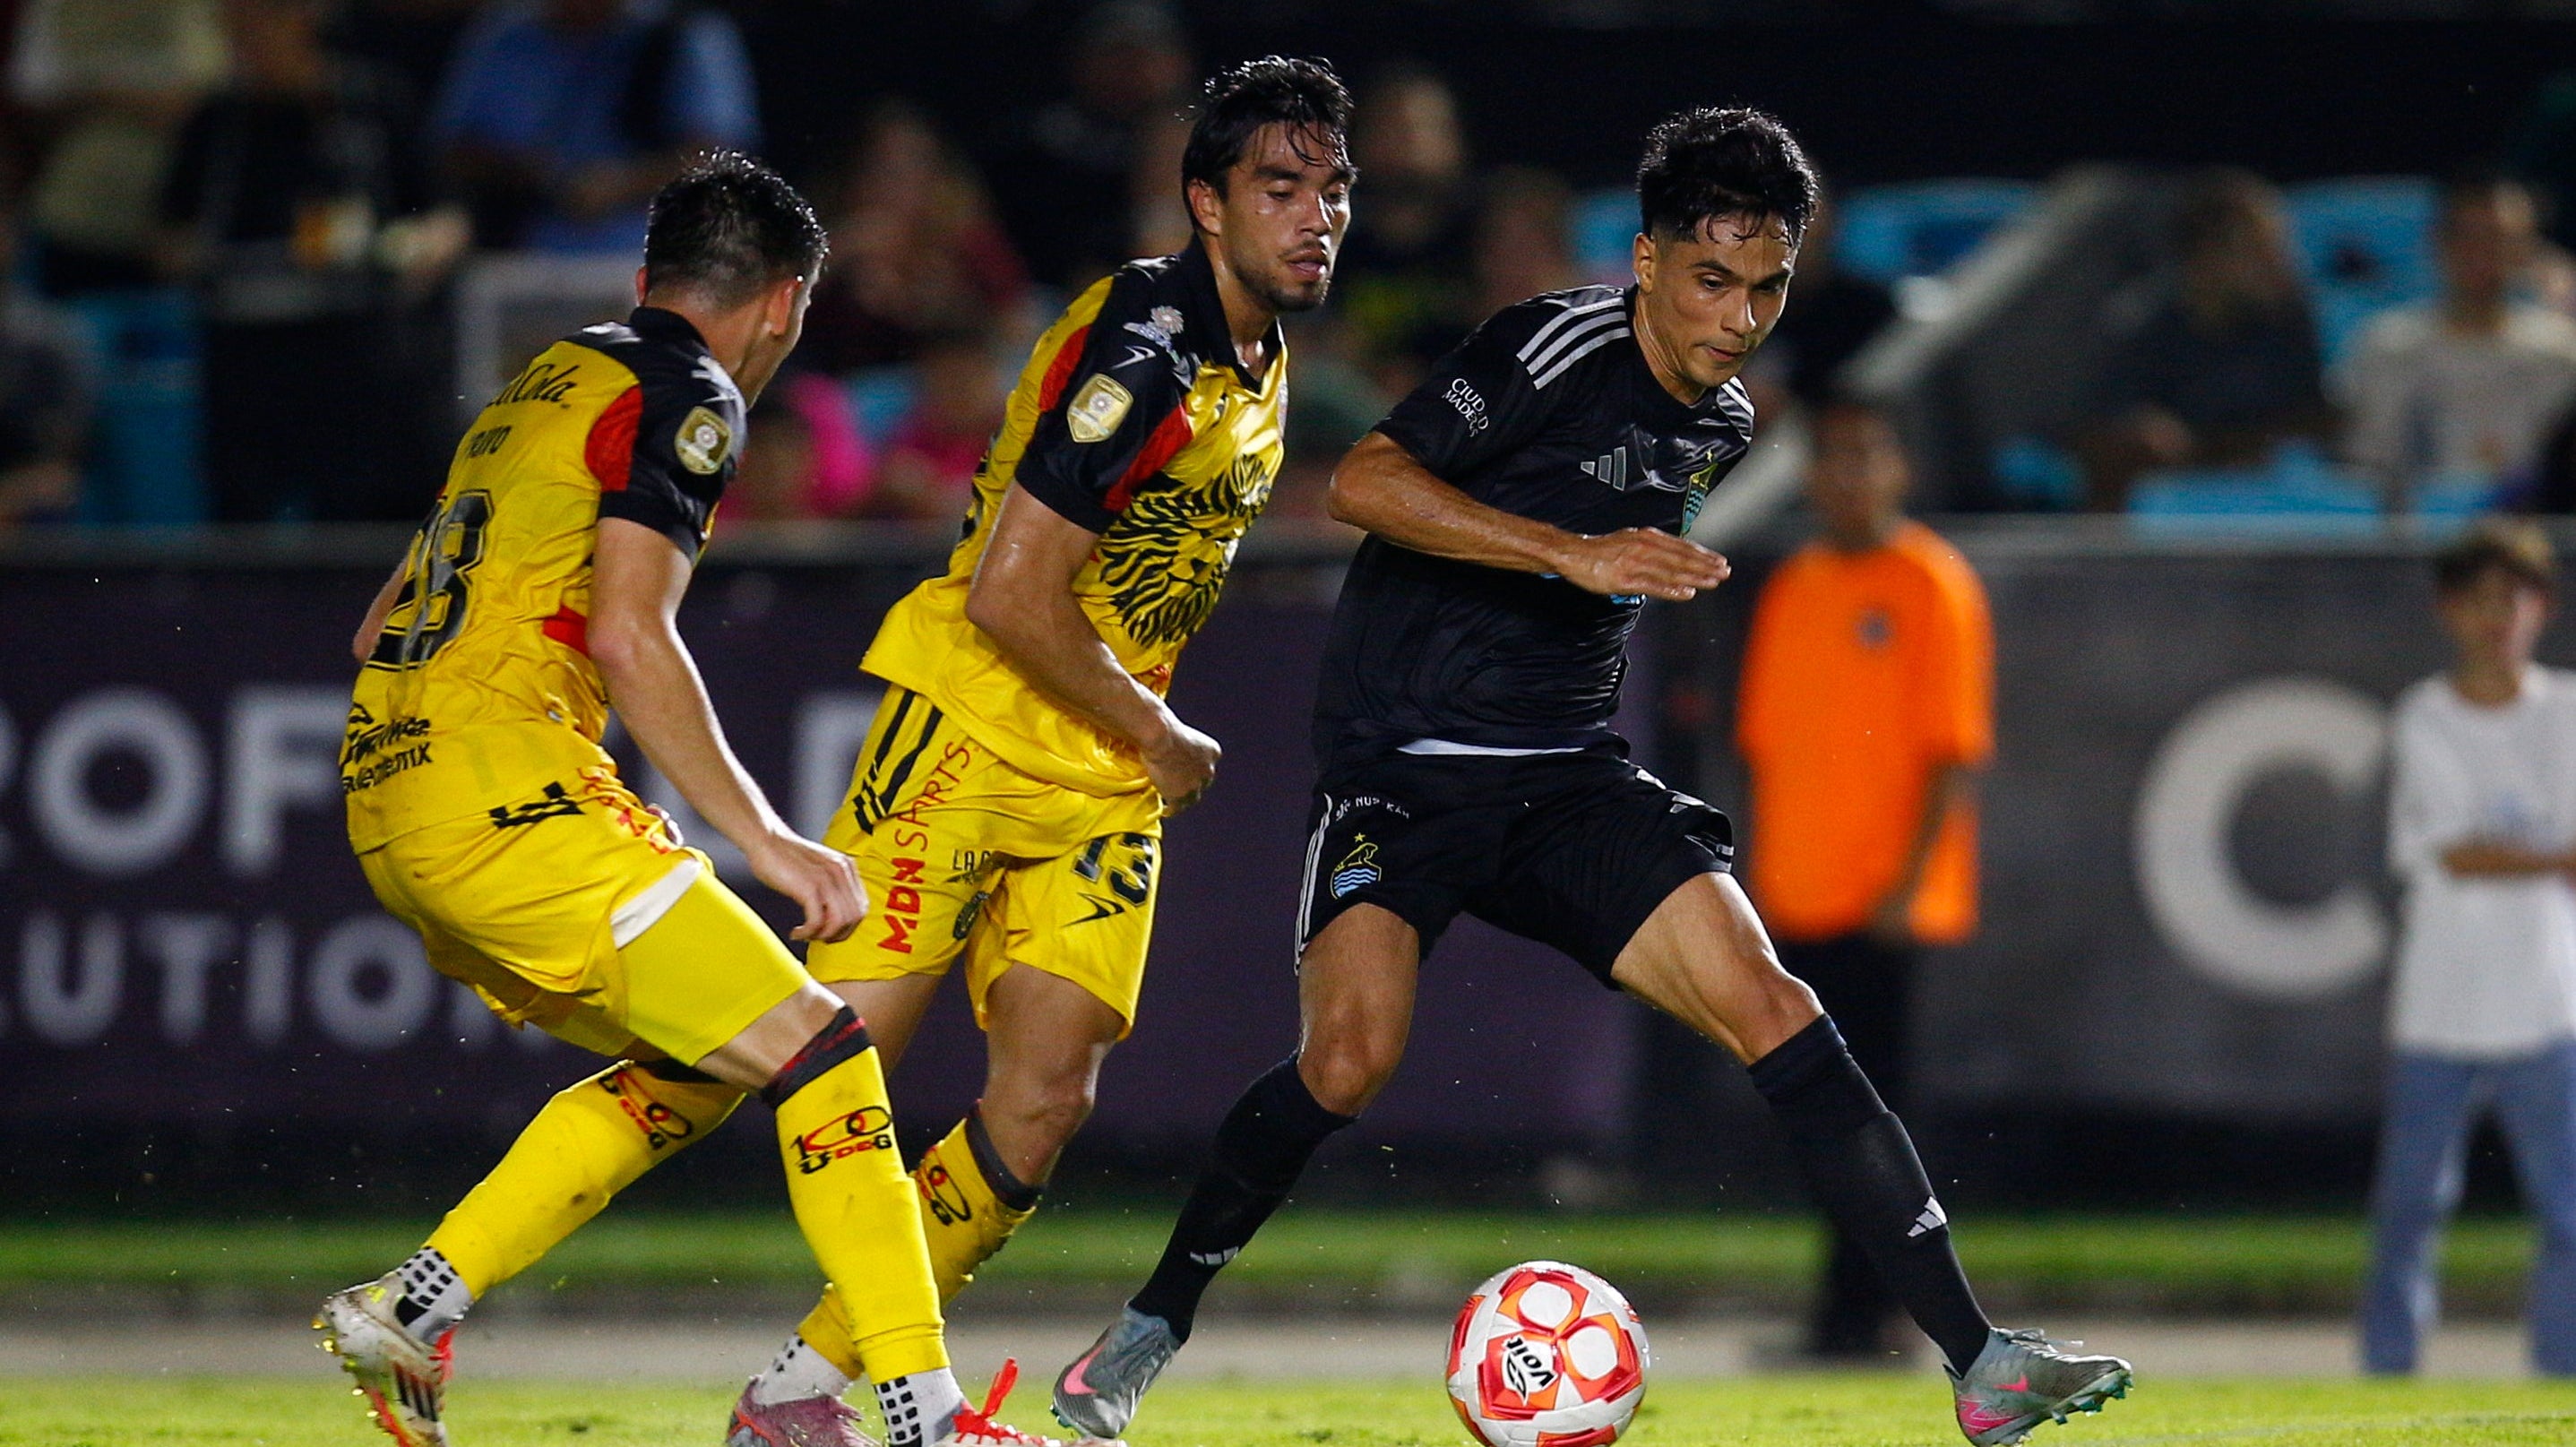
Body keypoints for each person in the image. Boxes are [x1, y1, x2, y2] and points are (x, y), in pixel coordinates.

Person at [1048, 107, 2131, 1447]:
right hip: (1403, 772)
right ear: (1646, 259)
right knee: (1346, 1059)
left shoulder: (1721, 418)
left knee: (1776, 1007)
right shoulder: (1550, 345)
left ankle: (1979, 1358)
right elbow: (1366, 483)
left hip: (1564, 779)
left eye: (1765, 286)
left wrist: (1591, 581)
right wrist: (1570, 551)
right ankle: (1146, 1329)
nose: (1737, 318)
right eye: (1710, 279)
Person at [314, 152, 1055, 1447]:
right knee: (826, 1049)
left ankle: (411, 1303)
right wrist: (764, 836)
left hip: (394, 794)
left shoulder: (541, 385)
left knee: (702, 1065)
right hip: (507, 797)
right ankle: (919, 1415)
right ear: (784, 304)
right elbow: (629, 632)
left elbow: (381, 622)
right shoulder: (687, 393)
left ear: (648, 274)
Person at [725, 58, 1356, 1447]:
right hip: (972, 728)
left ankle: (803, 1388)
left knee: (1045, 1096)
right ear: (1204, 202)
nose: (1314, 216)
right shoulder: (1145, 344)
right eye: (1278, 187)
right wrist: (1158, 728)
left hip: (1099, 772)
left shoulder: (1262, 356)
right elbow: (1013, 593)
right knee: (817, 1060)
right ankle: (457, 1266)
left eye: (1331, 190)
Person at [1736, 398, 1994, 1362]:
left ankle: (1878, 1315)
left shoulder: (1930, 582)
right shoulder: (1795, 584)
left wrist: (1908, 885)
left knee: (1872, 1122)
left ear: (1900, 470)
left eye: (1866, 454)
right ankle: (1843, 1314)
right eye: (1832, 457)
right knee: (1822, 1124)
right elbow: (1767, 748)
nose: (1848, 475)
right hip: (1799, 899)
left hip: (1882, 906)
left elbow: (1952, 752)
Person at [2362, 519, 2576, 1379]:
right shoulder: (2425, 714)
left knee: (2569, 1211)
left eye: (2515, 598)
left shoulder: (2566, 710)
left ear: (2541, 608)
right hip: (2440, 1004)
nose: (2499, 618)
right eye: (2481, 600)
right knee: (2409, 1208)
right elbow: (2452, 850)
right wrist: (2550, 856)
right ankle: (2387, 1373)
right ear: (2449, 610)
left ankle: (2561, 1374)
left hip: (2547, 999)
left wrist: (2523, 854)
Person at [158, 0, 466, 522]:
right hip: (247, 351)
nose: (248, 41)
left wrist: (418, 249)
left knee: (370, 492)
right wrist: (194, 259)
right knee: (240, 504)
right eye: (236, 27)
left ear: (305, 18)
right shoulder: (217, 122)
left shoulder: (373, 103)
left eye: (261, 22)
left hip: (358, 346)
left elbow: (445, 216)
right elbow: (168, 237)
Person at [2075, 168, 2328, 512]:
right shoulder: (2140, 323)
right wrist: (2148, 433)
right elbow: (2104, 421)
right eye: (2257, 249)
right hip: (2168, 485)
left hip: (2265, 491)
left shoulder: (2287, 319)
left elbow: (2310, 419)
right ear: (2206, 256)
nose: (2278, 263)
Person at [429, 0, 760, 254]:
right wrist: (533, 174)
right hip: (525, 258)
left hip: (659, 259)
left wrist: (620, 185)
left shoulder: (684, 31)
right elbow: (452, 152)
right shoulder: (507, 34)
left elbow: (718, 157)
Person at [2343, 176, 2576, 513]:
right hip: (2416, 533)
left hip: (2536, 532)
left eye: (2499, 240)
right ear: (2439, 242)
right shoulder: (2386, 347)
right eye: (2469, 238)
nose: (2483, 254)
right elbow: (2364, 469)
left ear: (2526, 249)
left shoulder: (2563, 355)